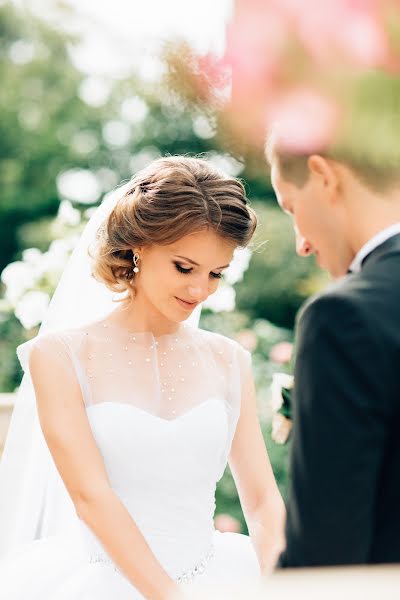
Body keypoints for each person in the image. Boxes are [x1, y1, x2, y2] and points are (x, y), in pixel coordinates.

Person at [0, 156, 285, 599]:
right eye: (184, 267)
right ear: (139, 245)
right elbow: (91, 496)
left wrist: (280, 583)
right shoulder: (58, 356)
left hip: (223, 578)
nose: (200, 290)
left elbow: (263, 499)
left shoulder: (229, 360)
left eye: (216, 274)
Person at [267, 131, 400, 567]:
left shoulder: (344, 318)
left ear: (322, 175)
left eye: (291, 208)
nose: (301, 243)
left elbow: (324, 562)